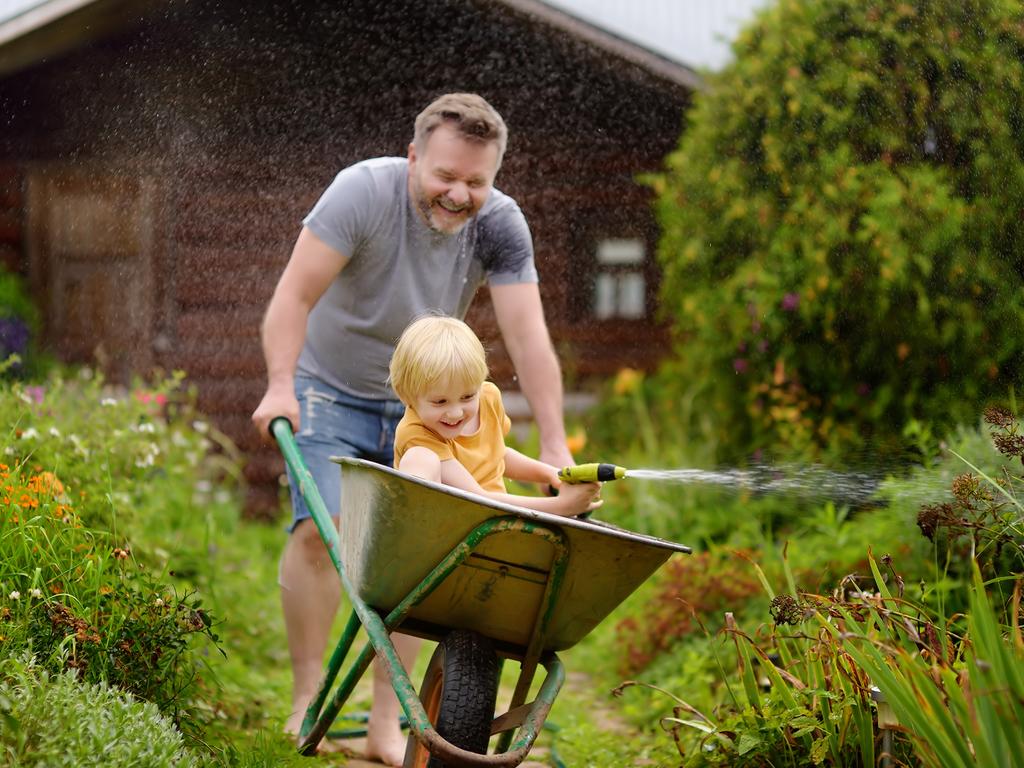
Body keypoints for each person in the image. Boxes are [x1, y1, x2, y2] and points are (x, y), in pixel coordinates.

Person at [250, 92, 574, 766]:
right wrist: (281, 384)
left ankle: (384, 724)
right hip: (328, 389)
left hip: (426, 411)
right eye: (445, 176)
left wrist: (554, 444)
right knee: (318, 533)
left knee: (417, 562)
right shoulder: (360, 195)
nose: (459, 194)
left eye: (476, 182)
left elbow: (528, 338)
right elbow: (293, 297)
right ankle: (307, 696)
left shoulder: (501, 226)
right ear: (413, 157)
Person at [390, 314, 602, 516]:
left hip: (493, 525)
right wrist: (561, 506)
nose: (456, 412)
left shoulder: (488, 398)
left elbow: (497, 454)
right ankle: (415, 531)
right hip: (453, 527)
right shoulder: (415, 433)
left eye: (467, 397)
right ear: (407, 395)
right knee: (421, 459)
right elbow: (477, 498)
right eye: (440, 402)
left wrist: (551, 475)